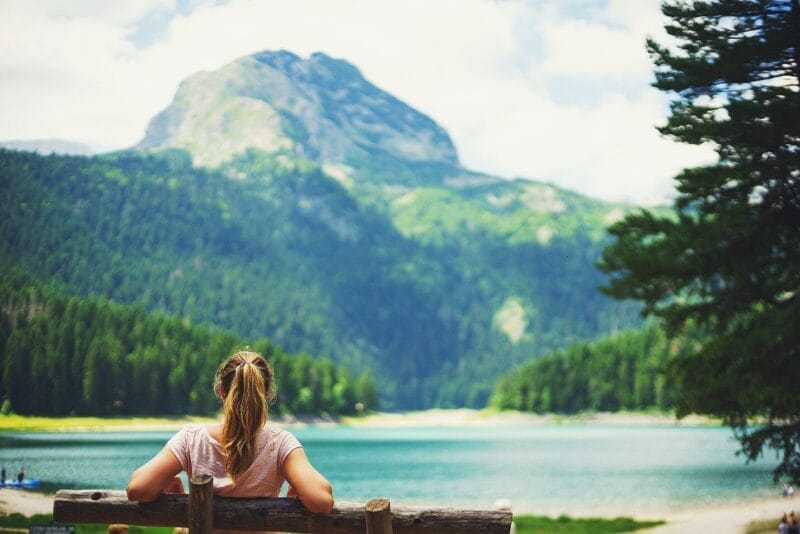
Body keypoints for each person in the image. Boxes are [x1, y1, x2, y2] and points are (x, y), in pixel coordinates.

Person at [127, 351, 334, 523]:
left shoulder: (193, 439)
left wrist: (173, 489)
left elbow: (137, 488)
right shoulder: (279, 443)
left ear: (222, 390)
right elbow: (322, 500)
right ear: (266, 394)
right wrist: (298, 486)